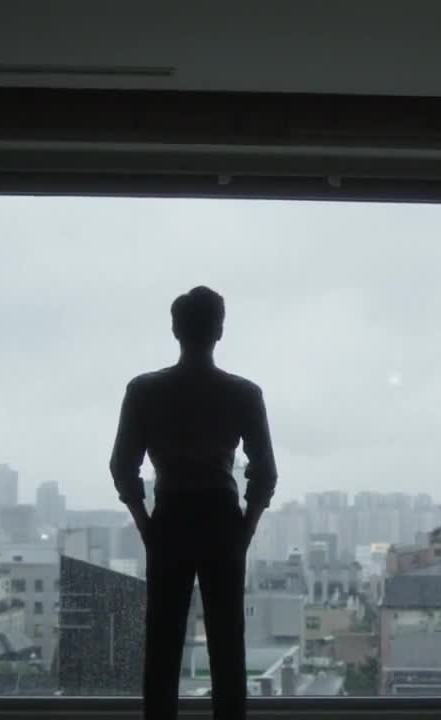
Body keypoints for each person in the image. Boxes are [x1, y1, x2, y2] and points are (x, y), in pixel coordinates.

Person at [111, 286, 277, 720]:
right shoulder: (244, 393)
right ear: (219, 330)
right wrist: (246, 528)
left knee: (162, 644)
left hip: (171, 517)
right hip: (222, 520)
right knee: (228, 644)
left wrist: (147, 525)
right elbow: (265, 473)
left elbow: (122, 466)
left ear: (175, 329)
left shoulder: (144, 390)